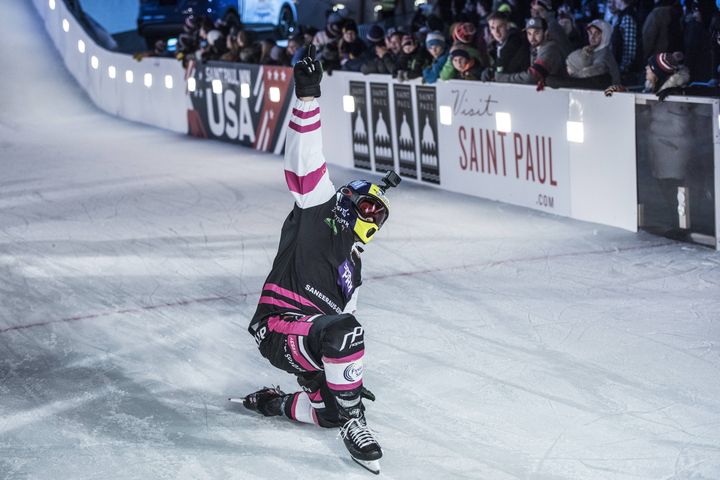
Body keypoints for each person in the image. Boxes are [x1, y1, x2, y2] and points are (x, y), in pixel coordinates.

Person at [242, 46, 401, 476]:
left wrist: (343, 379)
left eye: (377, 217)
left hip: (313, 340)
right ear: (348, 200)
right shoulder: (321, 209)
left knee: (329, 403)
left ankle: (276, 403)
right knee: (346, 332)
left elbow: (342, 324)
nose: (371, 219)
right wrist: (308, 96)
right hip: (277, 324)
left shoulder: (354, 269)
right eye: (367, 208)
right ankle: (355, 425)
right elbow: (304, 164)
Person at [495, 17, 565, 87]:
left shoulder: (550, 50)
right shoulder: (535, 48)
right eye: (529, 33)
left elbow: (532, 76)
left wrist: (503, 78)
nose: (532, 38)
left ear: (545, 33)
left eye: (536, 33)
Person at [564, 19, 621, 86]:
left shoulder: (604, 55)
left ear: (605, 35)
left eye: (597, 33)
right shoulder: (594, 51)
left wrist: (573, 75)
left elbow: (591, 73)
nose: (592, 37)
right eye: (590, 33)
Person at [482, 11, 530, 80]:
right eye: (492, 28)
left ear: (507, 26)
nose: (496, 31)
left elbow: (502, 64)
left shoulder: (515, 40)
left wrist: (491, 70)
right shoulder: (495, 45)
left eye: (500, 27)